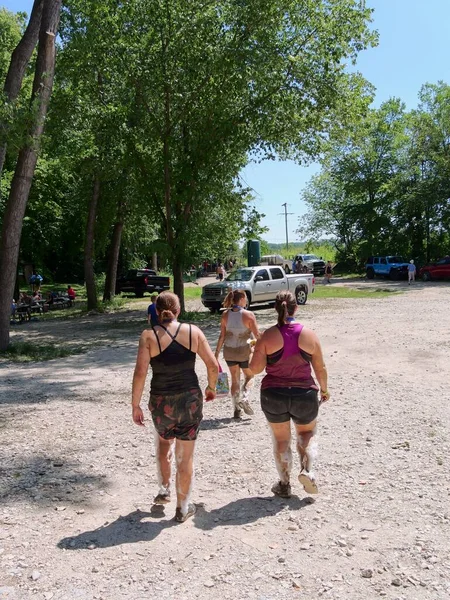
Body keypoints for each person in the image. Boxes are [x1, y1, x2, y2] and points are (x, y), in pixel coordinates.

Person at [131, 291, 218, 523]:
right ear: (178, 311)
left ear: (156, 312)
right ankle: (183, 507)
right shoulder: (193, 332)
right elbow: (213, 365)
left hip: (161, 403)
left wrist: (135, 405)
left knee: (163, 443)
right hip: (190, 400)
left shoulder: (149, 336)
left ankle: (164, 488)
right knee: (186, 457)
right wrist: (212, 388)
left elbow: (140, 373)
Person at [249, 290, 330, 498]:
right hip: (304, 394)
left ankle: (284, 484)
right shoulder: (309, 335)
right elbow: (320, 368)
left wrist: (256, 352)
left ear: (275, 308)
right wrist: (324, 389)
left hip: (273, 395)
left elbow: (255, 369)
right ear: (297, 308)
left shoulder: (267, 335)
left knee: (281, 439)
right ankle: (308, 470)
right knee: (307, 433)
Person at [215, 289, 260, 419]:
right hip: (243, 351)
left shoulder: (224, 315)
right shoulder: (249, 315)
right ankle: (245, 398)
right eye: (245, 298)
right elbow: (256, 336)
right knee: (250, 376)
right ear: (241, 299)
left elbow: (222, 336)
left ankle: (236, 409)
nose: (246, 301)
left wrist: (216, 353)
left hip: (229, 351)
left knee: (235, 379)